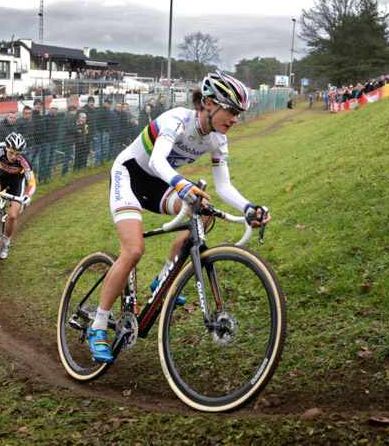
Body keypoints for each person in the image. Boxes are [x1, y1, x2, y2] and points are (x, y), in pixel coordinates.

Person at [87, 71, 270, 362]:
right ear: (209, 103)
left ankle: (164, 278)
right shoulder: (177, 120)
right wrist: (183, 184)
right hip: (130, 176)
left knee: (204, 210)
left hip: (161, 183)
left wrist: (248, 208)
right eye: (232, 111)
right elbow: (158, 160)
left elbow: (222, 185)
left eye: (238, 113)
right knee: (133, 251)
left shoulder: (217, 139)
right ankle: (97, 326)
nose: (235, 118)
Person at [0, 133, 36, 260]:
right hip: (1, 177)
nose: (14, 156)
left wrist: (28, 195)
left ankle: (6, 244)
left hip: (16, 183)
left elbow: (32, 182)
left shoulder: (24, 160)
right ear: (6, 148)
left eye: (17, 153)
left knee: (12, 216)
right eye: (11, 152)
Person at [93, 98, 113, 164]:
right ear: (105, 103)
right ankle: (97, 162)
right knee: (100, 147)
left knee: (105, 147)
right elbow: (97, 121)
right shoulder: (100, 110)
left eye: (110, 103)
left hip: (107, 131)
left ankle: (103, 161)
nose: (109, 105)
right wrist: (101, 129)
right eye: (108, 103)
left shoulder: (109, 111)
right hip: (101, 132)